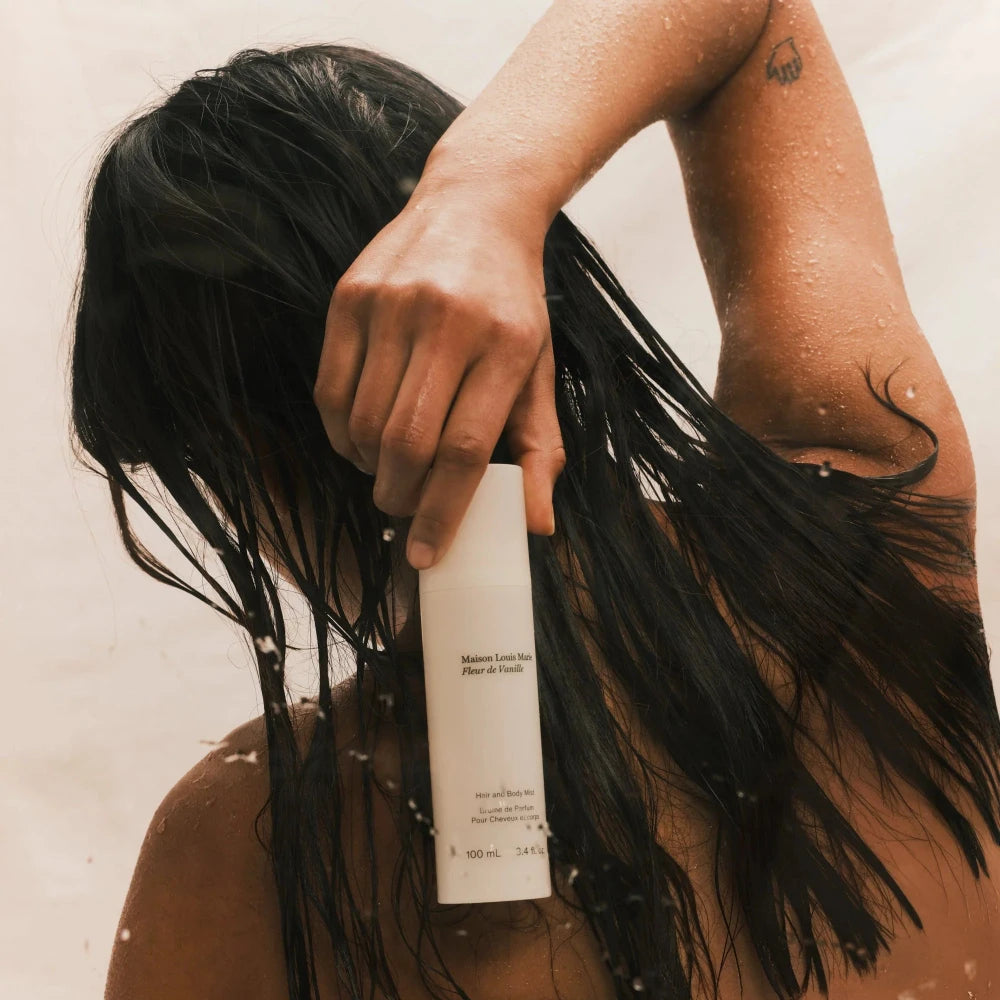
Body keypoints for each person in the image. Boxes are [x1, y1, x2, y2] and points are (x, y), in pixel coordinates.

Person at [70, 0, 1000, 997]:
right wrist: (484, 197)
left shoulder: (253, 850)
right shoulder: (867, 538)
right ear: (532, 303)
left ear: (249, 462)